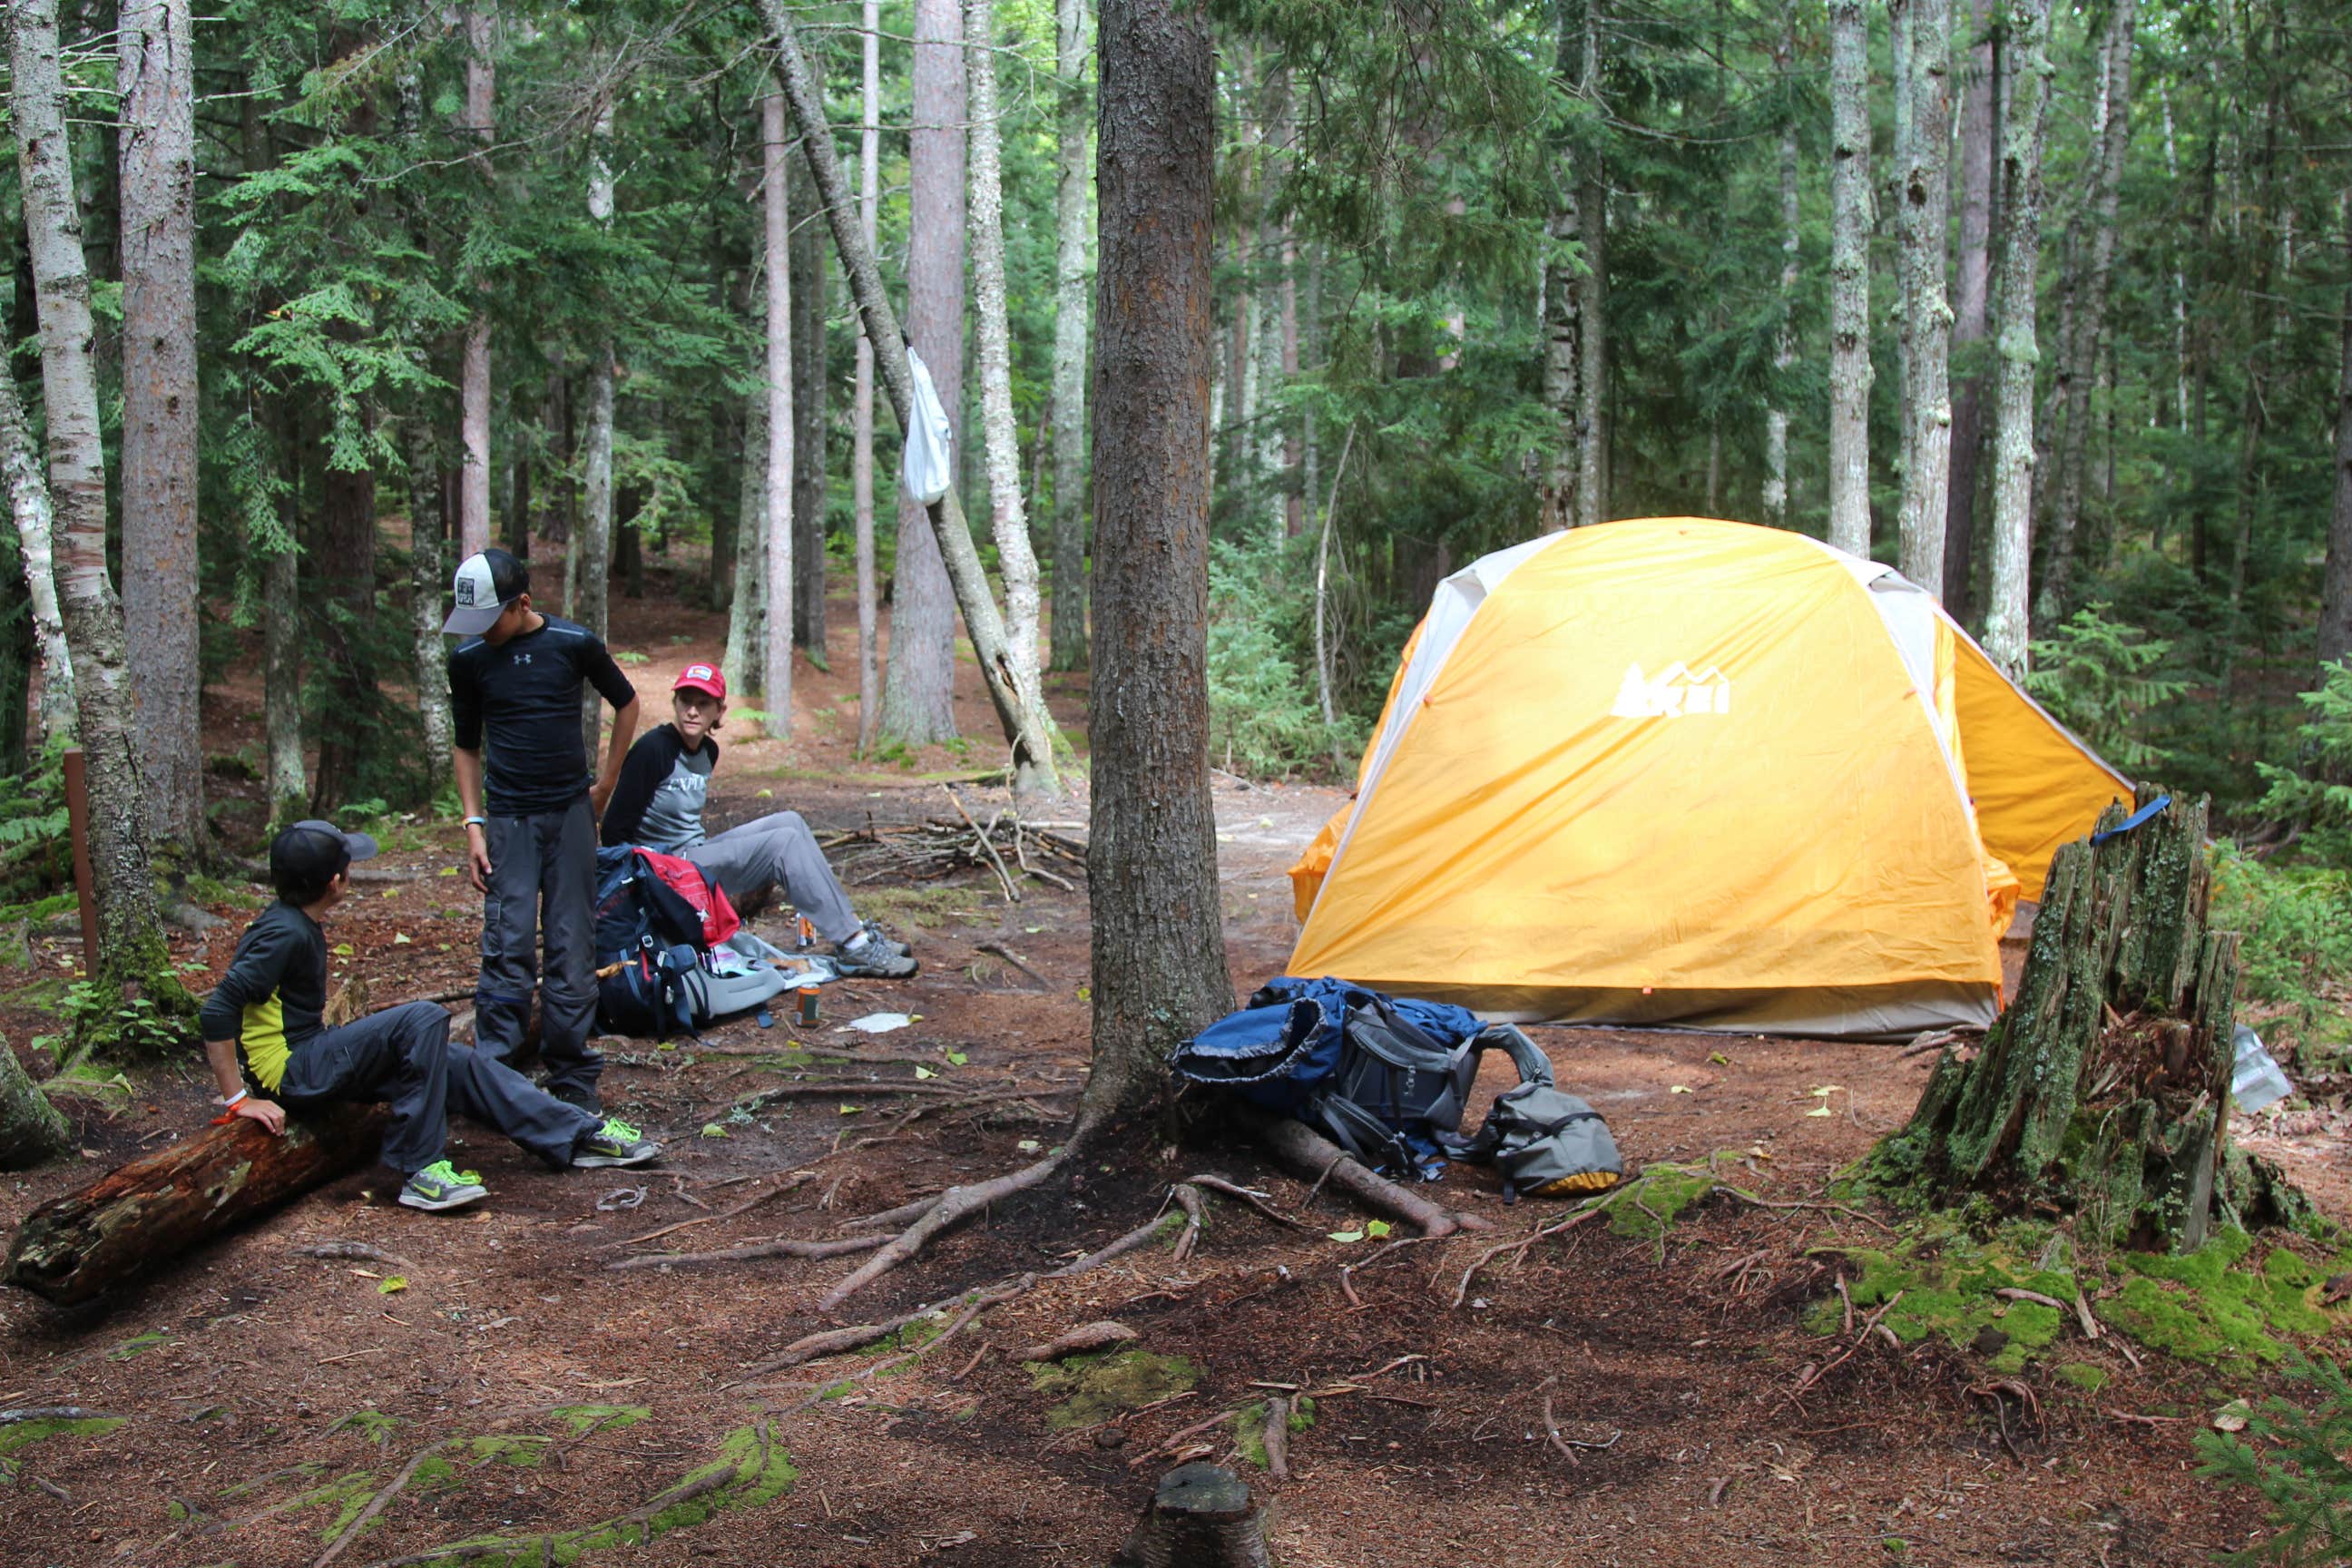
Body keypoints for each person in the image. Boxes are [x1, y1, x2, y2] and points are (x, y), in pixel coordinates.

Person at [201, 821, 660, 1213]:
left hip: (311, 1056)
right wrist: (239, 1100)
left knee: (452, 1060)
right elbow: (219, 1008)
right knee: (422, 1018)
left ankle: (577, 1135)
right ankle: (416, 1168)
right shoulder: (281, 933)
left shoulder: (294, 921)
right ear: (335, 882)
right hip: (291, 1073)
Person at [446, 548, 642, 1112]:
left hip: (569, 815)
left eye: (490, 619)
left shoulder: (573, 645)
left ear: (523, 604)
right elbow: (466, 745)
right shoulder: (470, 661)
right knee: (506, 943)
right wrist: (473, 824)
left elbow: (626, 704)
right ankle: (494, 1076)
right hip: (507, 820)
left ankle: (573, 1075)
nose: (481, 632)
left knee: (571, 943)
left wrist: (604, 784)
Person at [600, 662, 917, 979]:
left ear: (719, 711)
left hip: (693, 857)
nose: (692, 711)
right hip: (665, 872)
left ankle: (853, 928)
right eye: (686, 701)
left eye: (703, 703)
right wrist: (642, 891)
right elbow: (614, 830)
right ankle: (854, 946)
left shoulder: (707, 751)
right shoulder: (653, 750)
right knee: (783, 845)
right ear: (675, 704)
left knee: (791, 822)